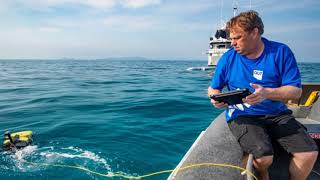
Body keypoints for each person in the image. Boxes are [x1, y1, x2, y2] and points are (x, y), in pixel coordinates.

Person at [207, 10, 318, 180]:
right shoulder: (228, 58)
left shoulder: (281, 52)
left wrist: (267, 93)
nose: (233, 43)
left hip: (277, 114)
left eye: (237, 38)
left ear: (255, 32)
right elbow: (213, 88)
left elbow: (296, 92)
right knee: (263, 158)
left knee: (308, 154)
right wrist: (215, 98)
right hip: (243, 115)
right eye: (231, 38)